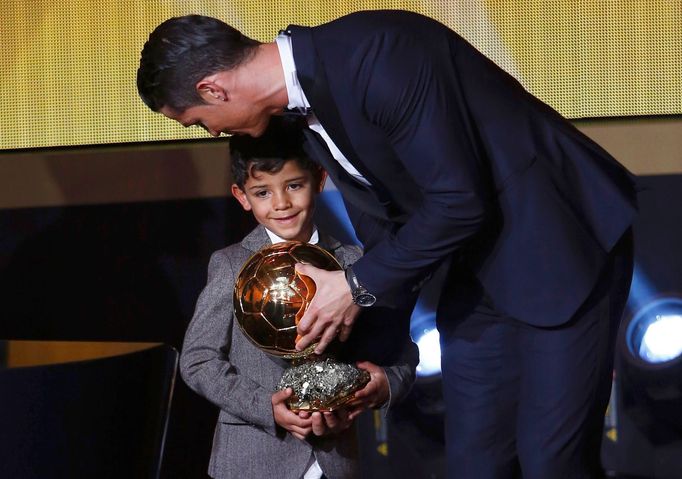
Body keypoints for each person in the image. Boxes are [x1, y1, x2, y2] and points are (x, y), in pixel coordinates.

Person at [138, 11, 637, 478]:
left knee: (552, 460)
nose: (213, 132)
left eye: (200, 121)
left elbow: (459, 201)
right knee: (475, 462)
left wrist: (352, 286)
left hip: (561, 247)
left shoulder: (377, 54)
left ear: (213, 89)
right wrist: (365, 375)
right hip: (477, 270)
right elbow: (384, 234)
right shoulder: (302, 117)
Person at [179, 118, 419, 479]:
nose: (281, 203)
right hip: (252, 464)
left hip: (337, 462)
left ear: (319, 180)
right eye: (263, 192)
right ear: (241, 196)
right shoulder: (230, 265)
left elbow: (401, 354)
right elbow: (198, 360)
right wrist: (266, 408)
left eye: (294, 185)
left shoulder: (355, 264)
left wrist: (385, 383)